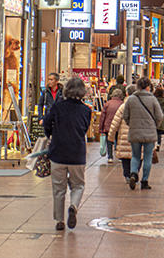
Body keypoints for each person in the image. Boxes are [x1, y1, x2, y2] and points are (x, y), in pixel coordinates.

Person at [43, 77, 92, 231]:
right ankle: (73, 206)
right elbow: (84, 129)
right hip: (77, 154)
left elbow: (46, 123)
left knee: (59, 189)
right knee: (78, 185)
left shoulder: (58, 107)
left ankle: (59, 220)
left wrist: (51, 134)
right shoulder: (86, 110)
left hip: (58, 152)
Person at [123, 77, 163, 190]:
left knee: (135, 156)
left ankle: (133, 174)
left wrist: (131, 124)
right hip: (149, 133)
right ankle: (144, 181)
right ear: (148, 87)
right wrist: (154, 126)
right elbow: (160, 116)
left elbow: (125, 116)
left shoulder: (131, 99)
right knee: (147, 157)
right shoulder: (153, 99)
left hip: (135, 131)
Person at [108, 86, 135, 184]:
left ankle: (127, 175)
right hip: (136, 135)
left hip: (124, 135)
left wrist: (111, 136)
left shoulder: (123, 106)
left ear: (127, 94)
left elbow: (115, 122)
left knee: (124, 157)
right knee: (136, 155)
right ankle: (134, 173)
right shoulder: (141, 105)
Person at [100, 88, 124, 162]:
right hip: (118, 126)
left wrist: (101, 128)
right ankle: (119, 156)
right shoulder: (122, 104)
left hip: (108, 126)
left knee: (109, 141)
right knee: (118, 140)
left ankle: (110, 157)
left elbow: (102, 117)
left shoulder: (107, 103)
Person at [153, 84, 164, 151]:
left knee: (154, 131)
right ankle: (158, 144)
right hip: (161, 117)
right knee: (159, 131)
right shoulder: (163, 100)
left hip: (153, 117)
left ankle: (154, 143)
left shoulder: (153, 99)